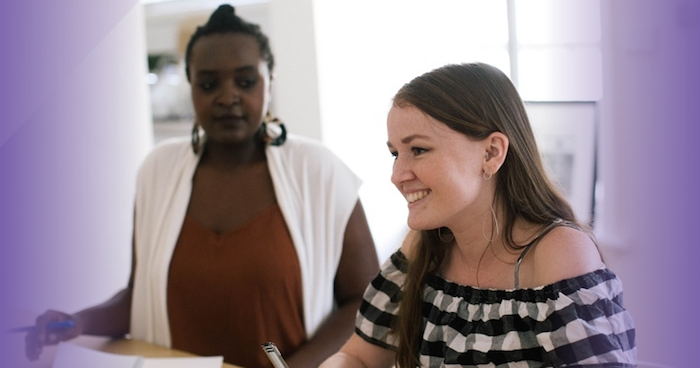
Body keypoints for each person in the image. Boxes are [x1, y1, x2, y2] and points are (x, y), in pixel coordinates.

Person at [24, 4, 379, 368]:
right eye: (208, 84)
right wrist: (76, 323)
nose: (227, 97)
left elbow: (366, 303)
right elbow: (140, 296)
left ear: (269, 79)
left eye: (245, 81)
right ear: (191, 85)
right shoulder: (158, 171)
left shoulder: (318, 170)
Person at [320, 63, 637, 367]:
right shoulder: (422, 247)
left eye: (418, 150)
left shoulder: (558, 253)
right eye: (394, 153)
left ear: (491, 153)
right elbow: (358, 356)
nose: (397, 174)